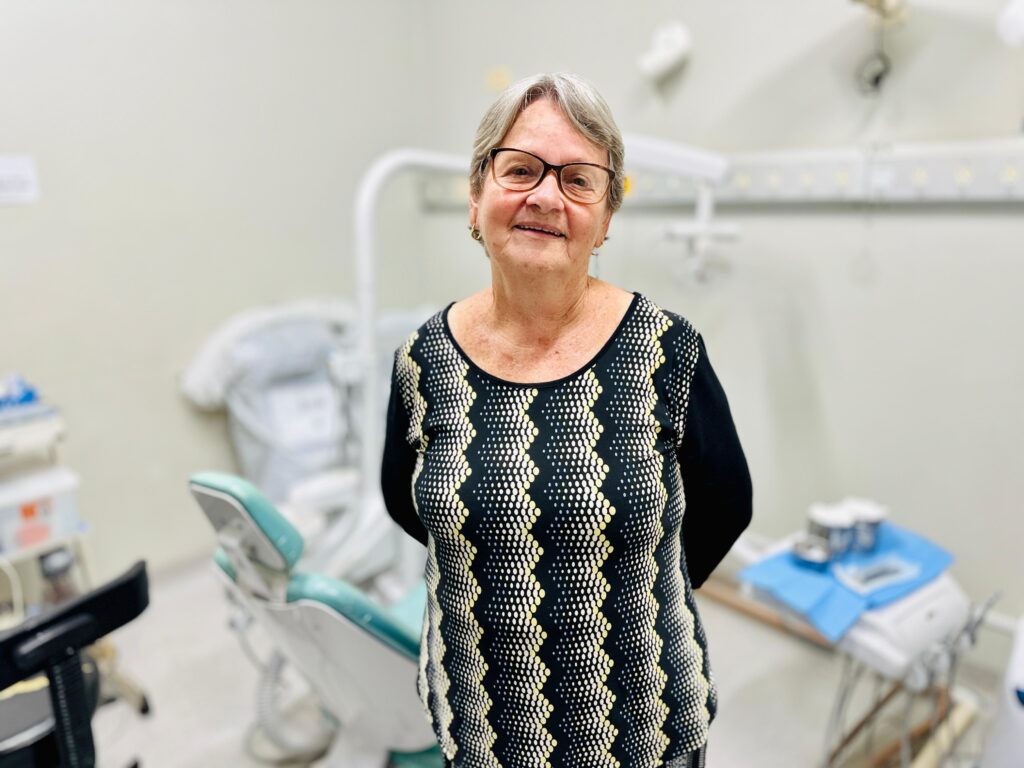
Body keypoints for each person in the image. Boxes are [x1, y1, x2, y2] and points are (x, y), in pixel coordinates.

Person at [381, 73, 752, 768]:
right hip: (480, 726)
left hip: (640, 731)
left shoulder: (665, 353)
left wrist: (640, 594)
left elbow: (726, 505)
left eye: (579, 180)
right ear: (476, 197)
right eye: (520, 169)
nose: (546, 197)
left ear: (605, 219)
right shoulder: (422, 361)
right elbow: (407, 505)